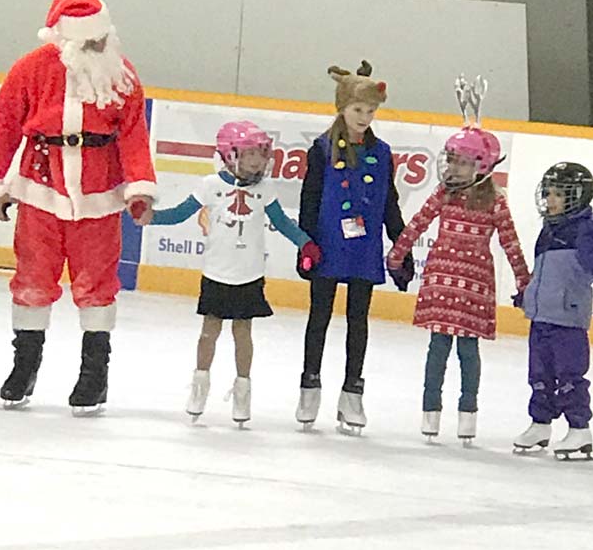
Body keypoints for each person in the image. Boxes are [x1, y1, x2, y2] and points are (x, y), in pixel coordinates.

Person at [0, 0, 156, 416]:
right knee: (33, 280)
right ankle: (25, 366)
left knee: (96, 285)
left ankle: (94, 373)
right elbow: (3, 123)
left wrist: (140, 187)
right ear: (67, 41)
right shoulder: (31, 70)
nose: (98, 46)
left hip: (99, 194)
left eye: (101, 38)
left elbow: (133, 134)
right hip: (40, 188)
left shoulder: (122, 75)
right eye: (89, 41)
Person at [387, 77, 530, 445]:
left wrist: (525, 283)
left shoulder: (494, 201)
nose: (452, 168)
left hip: (474, 284)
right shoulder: (444, 193)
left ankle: (468, 413)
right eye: (451, 160)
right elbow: (418, 222)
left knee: (468, 350)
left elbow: (511, 244)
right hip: (441, 279)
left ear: (481, 166)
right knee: (438, 348)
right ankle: (430, 410)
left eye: (461, 162)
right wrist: (397, 253)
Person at [148, 121, 320, 426]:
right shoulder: (210, 185)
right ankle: (200, 385)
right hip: (216, 272)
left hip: (249, 273)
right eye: (250, 153)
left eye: (261, 153)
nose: (257, 160)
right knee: (209, 331)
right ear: (229, 155)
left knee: (243, 332)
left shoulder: (265, 189)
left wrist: (305, 243)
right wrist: (150, 218)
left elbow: (282, 222)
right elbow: (180, 214)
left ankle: (243, 389)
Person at [296, 61, 413, 434]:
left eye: (370, 111)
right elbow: (309, 199)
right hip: (328, 244)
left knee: (358, 320)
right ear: (342, 108)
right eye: (358, 110)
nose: (364, 117)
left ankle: (352, 392)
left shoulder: (382, 153)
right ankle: (309, 386)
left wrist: (402, 243)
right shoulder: (321, 149)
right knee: (319, 317)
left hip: (364, 248)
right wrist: (306, 242)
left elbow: (389, 203)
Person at [513, 162, 593, 460]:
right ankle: (540, 423)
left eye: (559, 194)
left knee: (569, 373)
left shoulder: (586, 229)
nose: (551, 199)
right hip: (542, 315)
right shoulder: (550, 228)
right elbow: (543, 270)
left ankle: (579, 428)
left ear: (579, 195)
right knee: (539, 372)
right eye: (548, 193)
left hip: (568, 318)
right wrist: (528, 294)